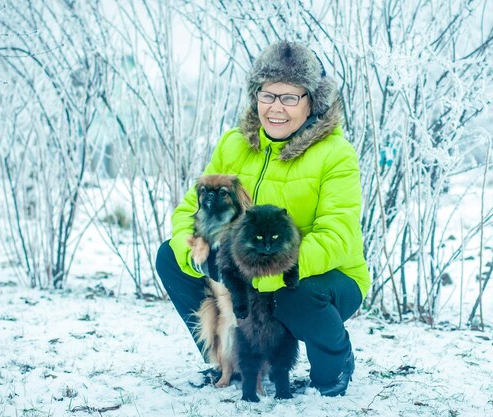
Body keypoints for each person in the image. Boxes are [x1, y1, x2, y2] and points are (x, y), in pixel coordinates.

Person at [156, 41, 370, 397]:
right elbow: (190, 210)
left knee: (295, 293)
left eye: (290, 98)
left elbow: (337, 234)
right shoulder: (233, 144)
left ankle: (336, 359)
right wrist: (197, 251)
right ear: (255, 95)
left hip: (324, 279)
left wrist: (267, 272)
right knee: (170, 256)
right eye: (268, 95)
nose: (276, 108)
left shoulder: (336, 153)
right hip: (243, 269)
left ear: (311, 101)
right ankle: (233, 358)